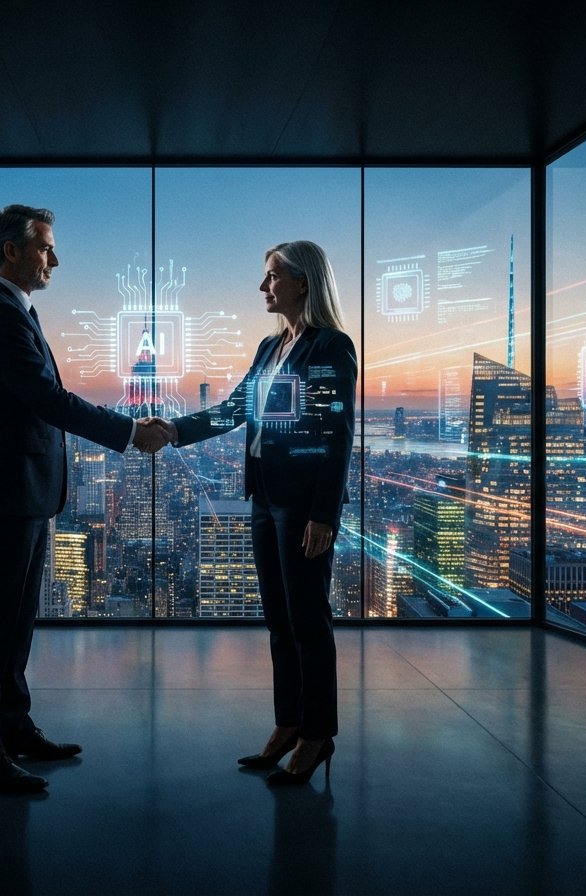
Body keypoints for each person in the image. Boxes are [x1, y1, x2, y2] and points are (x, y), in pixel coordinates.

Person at [0, 204, 171, 794]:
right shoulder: (0, 316)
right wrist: (129, 432)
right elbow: (50, 400)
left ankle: (13, 730)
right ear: (10, 252)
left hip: (21, 490)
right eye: (45, 247)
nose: (55, 258)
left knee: (16, 622)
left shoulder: (12, 311)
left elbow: (42, 400)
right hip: (5, 491)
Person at [161, 241, 356, 786]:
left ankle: (318, 735)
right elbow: (232, 411)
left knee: (308, 621)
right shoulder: (270, 350)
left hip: (301, 505)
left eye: (271, 276)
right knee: (278, 619)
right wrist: (174, 430)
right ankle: (287, 724)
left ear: (302, 283)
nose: (262, 286)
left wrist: (325, 514)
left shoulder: (331, 348)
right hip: (265, 499)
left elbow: (336, 437)